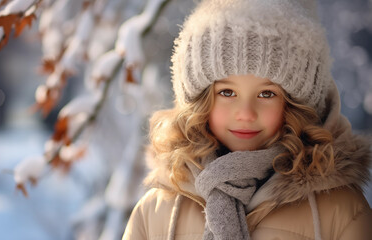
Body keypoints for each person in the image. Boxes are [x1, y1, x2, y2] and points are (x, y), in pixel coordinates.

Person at [122, 0, 372, 239]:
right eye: (227, 92)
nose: (246, 113)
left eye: (267, 94)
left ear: (296, 104)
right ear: (199, 102)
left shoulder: (341, 209)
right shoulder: (155, 211)